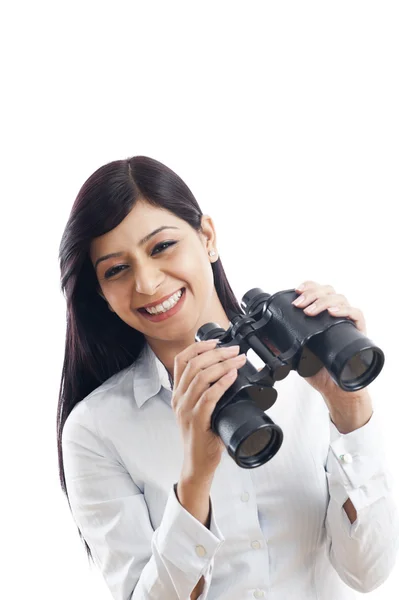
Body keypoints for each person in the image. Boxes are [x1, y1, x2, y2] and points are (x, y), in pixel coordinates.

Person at [57, 155, 398, 600]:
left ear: (208, 237)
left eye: (162, 246)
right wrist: (196, 477)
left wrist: (350, 409)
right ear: (101, 294)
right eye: (117, 269)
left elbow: (368, 572)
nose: (147, 282)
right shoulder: (96, 430)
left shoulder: (308, 367)